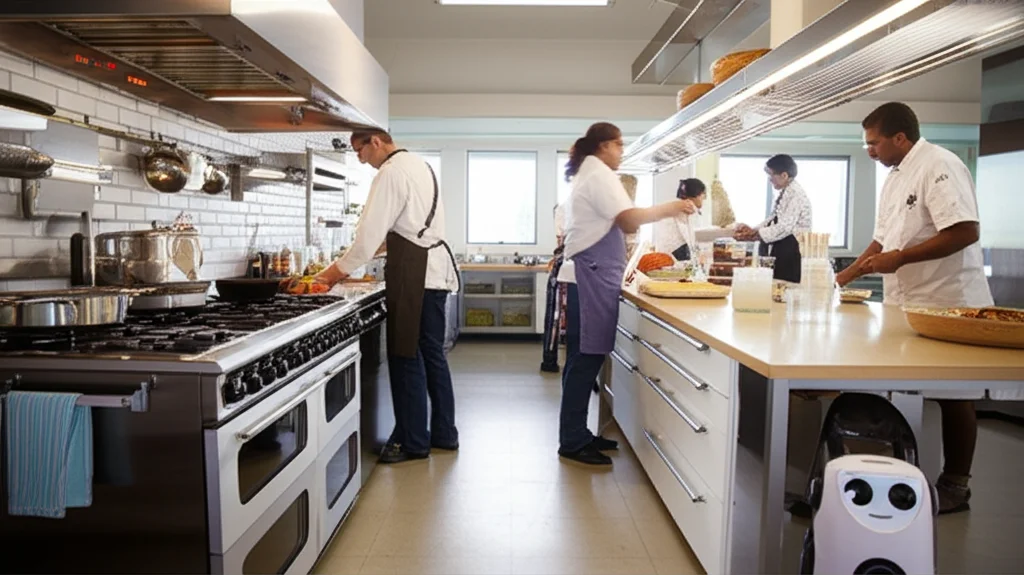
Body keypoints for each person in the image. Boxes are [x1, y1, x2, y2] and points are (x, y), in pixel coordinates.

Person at [836, 102, 996, 514]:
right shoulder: (894, 178)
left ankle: (956, 486)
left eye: (873, 143)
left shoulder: (940, 165)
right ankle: (899, 478)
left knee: (954, 396)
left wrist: (901, 259)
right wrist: (844, 275)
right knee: (903, 386)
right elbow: (881, 238)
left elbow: (964, 230)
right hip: (908, 302)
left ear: (900, 138)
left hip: (948, 300)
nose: (869, 150)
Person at [314, 128, 460, 464]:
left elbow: (366, 239)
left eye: (359, 150)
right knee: (432, 356)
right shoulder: (419, 165)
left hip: (414, 275)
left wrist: (329, 275)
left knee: (405, 356)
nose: (360, 158)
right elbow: (404, 227)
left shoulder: (391, 172)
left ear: (376, 142)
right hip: (433, 273)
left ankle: (412, 442)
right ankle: (443, 433)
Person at [556, 122, 696, 465]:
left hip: (592, 273)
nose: (622, 152)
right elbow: (629, 221)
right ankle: (572, 441)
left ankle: (577, 432)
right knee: (585, 359)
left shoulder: (591, 172)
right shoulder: (600, 175)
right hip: (592, 274)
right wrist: (673, 206)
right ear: (604, 146)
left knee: (583, 358)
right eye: (619, 146)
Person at [734, 154, 812, 283]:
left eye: (771, 175)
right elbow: (774, 217)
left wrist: (755, 234)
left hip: (792, 247)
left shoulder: (796, 194)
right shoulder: (787, 191)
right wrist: (753, 229)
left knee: (785, 286)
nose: (770, 180)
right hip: (783, 245)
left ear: (784, 175)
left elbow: (785, 227)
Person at [653, 177, 736, 260]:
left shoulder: (679, 206)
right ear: (697, 195)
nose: (703, 199)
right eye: (703, 195)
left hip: (668, 255)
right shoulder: (686, 209)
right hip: (672, 259)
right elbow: (691, 239)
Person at [540, 201, 566, 373]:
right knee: (556, 318)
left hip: (566, 269)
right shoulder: (565, 209)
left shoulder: (565, 209)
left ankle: (549, 360)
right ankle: (549, 360)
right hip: (565, 269)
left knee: (555, 318)